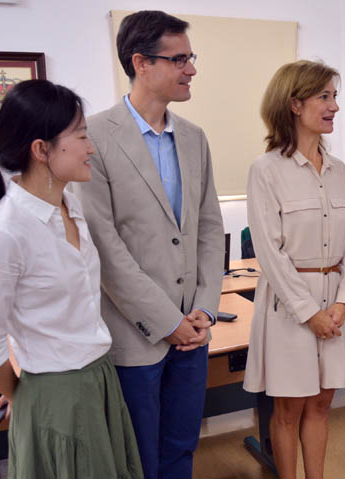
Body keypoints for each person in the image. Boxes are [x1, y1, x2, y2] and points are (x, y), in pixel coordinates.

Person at [0, 79, 143, 478]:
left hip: (99, 380)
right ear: (41, 150)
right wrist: (27, 394)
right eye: (80, 136)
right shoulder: (4, 232)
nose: (90, 147)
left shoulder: (69, 207)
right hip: (56, 395)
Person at [76, 10, 224, 479]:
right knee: (138, 459)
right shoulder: (93, 137)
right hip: (135, 335)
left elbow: (207, 229)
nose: (192, 69)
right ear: (141, 63)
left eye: (191, 57)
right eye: (179, 59)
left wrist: (204, 308)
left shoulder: (195, 139)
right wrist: (167, 322)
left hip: (192, 331)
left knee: (182, 449)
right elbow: (105, 249)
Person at [243, 60, 345, 479]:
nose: (334, 107)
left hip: (335, 309)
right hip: (290, 311)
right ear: (294, 104)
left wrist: (344, 305)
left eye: (335, 97)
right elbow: (270, 253)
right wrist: (309, 313)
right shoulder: (266, 170)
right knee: (289, 410)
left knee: (321, 405)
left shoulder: (339, 171)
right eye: (324, 97)